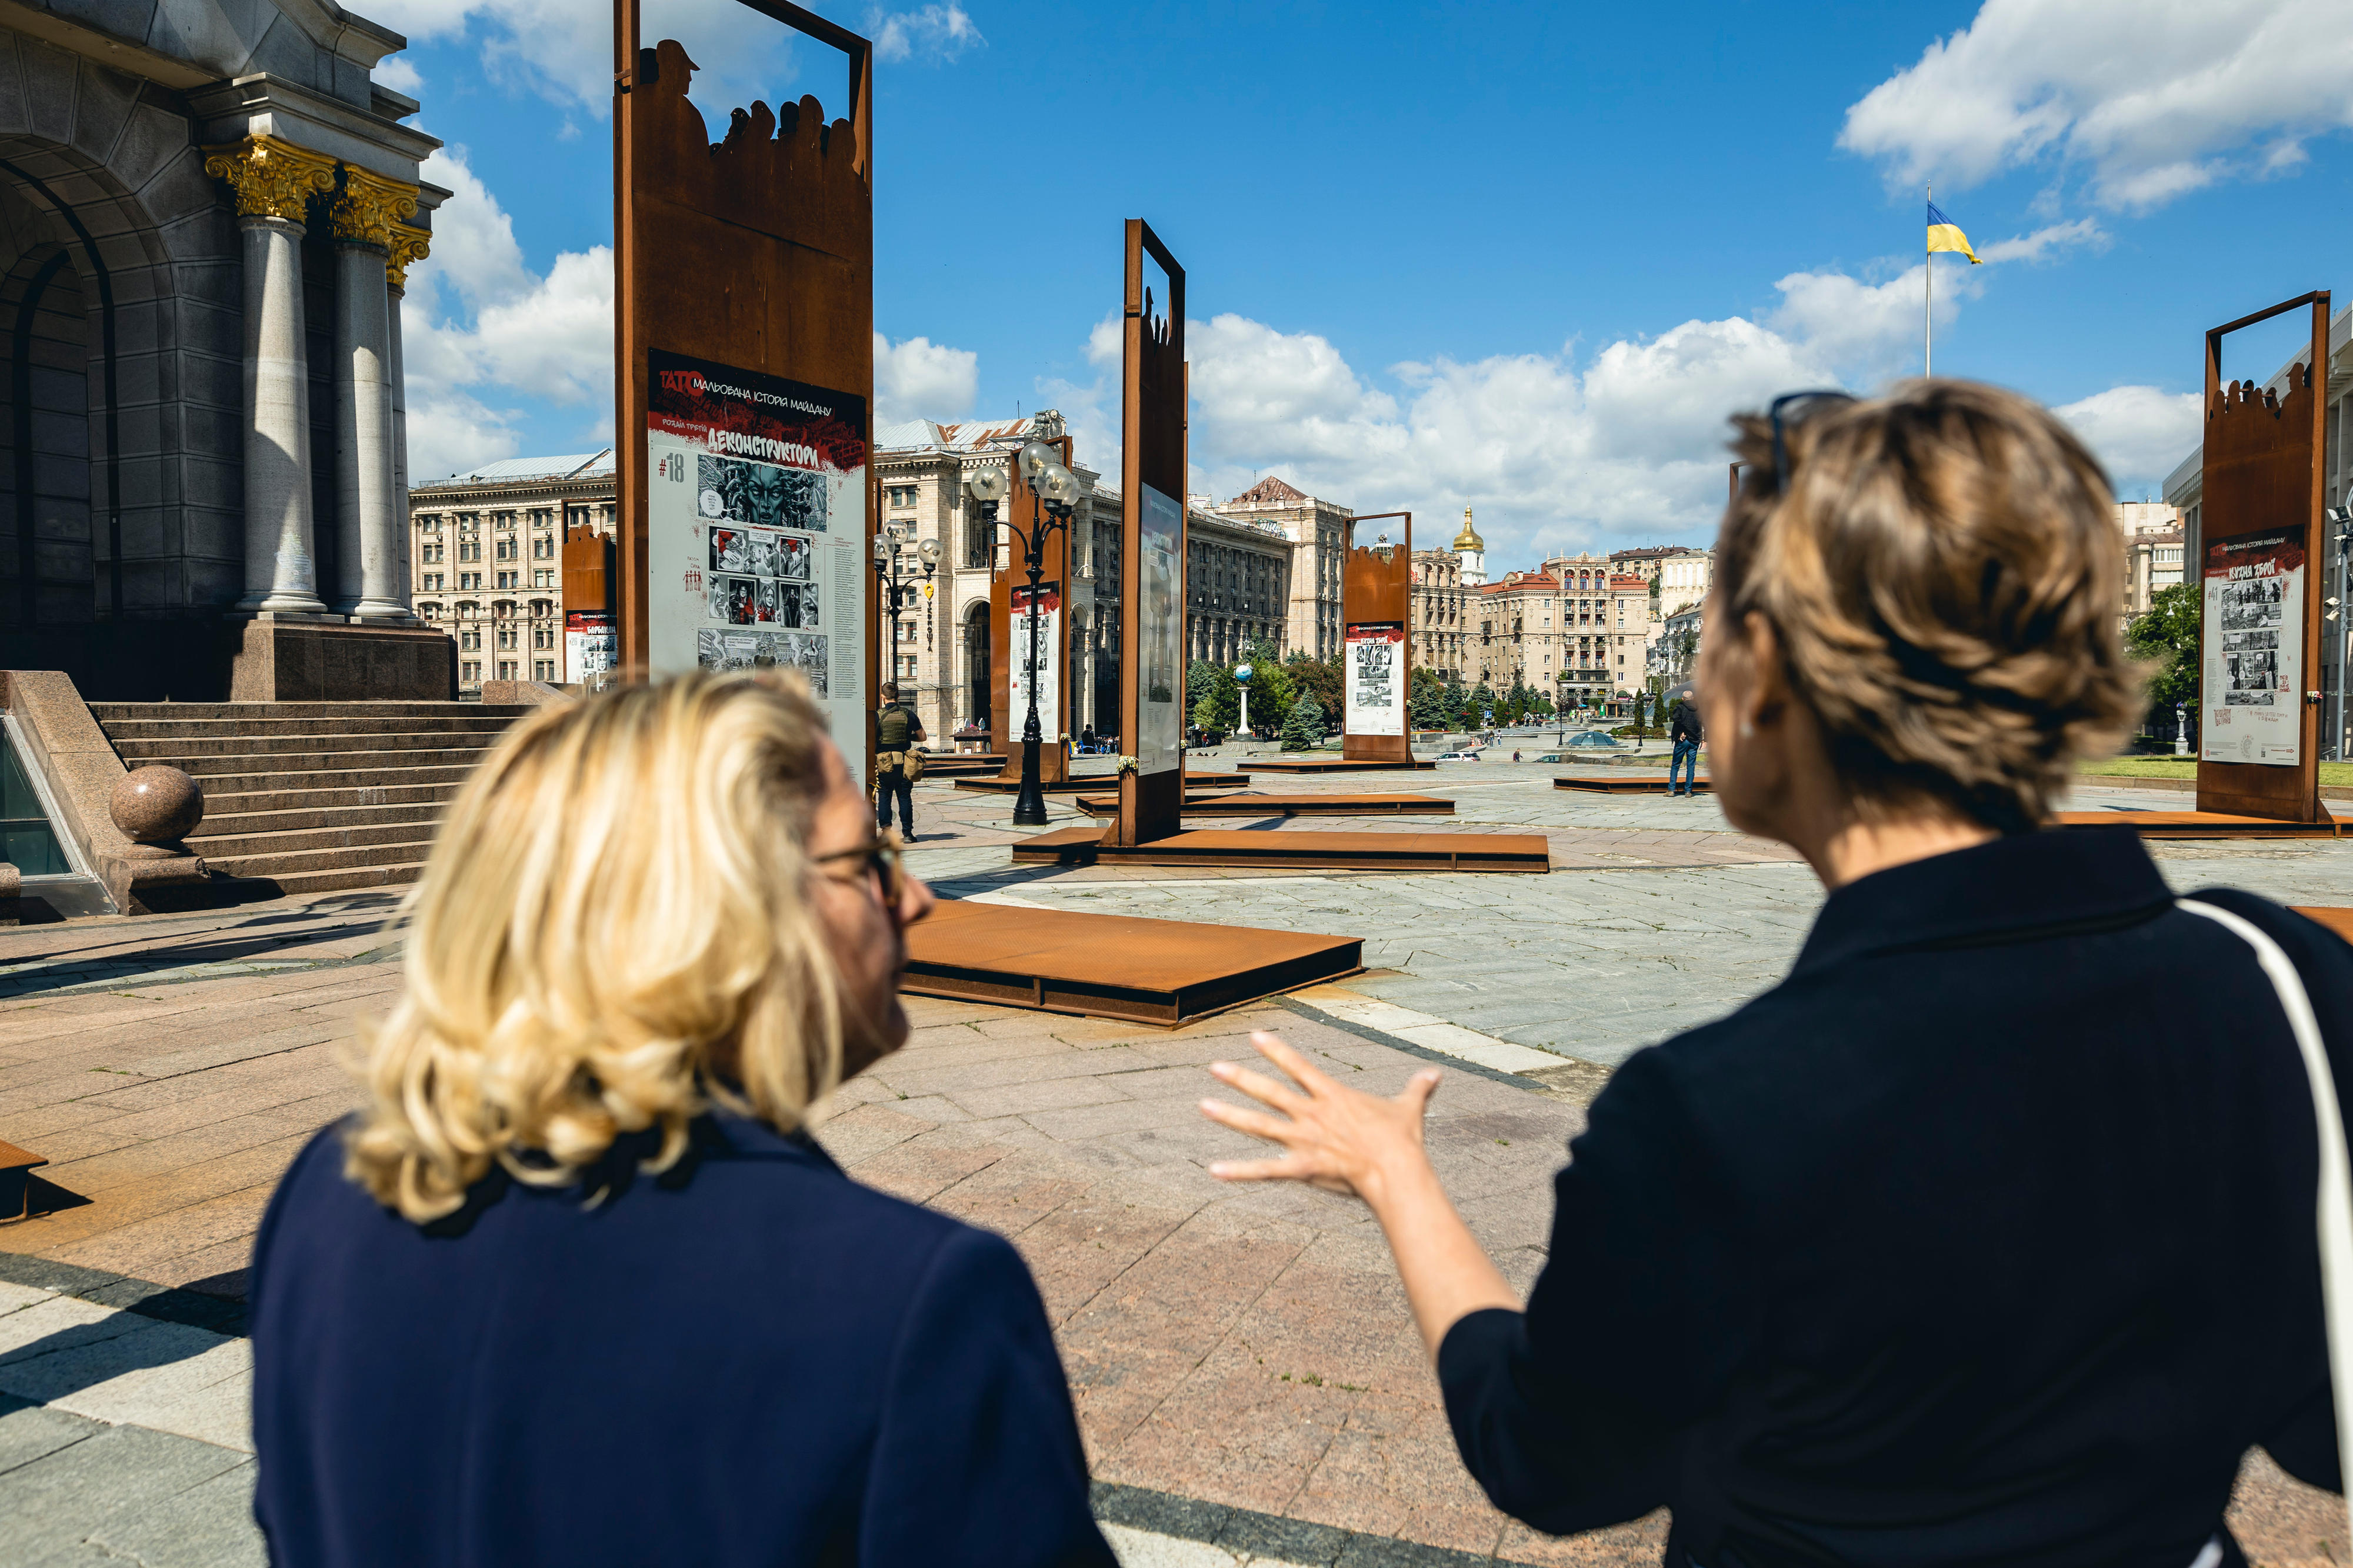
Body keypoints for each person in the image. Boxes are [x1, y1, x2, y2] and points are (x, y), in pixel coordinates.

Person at [1197, 381, 2353, 1568]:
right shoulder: (2280, 982)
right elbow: (2324, 1429)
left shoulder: (1710, 1113)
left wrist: (1397, 1176)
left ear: (1765, 677)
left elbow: (1547, 1457)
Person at [250, 673, 1112, 1568]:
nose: (918, 898)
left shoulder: (331, 1186)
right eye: (868, 861)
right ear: (728, 913)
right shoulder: (914, 1301)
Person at [875, 680, 924, 840]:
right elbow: (922, 737)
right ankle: (908, 833)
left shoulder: (877, 715)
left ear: (883, 697)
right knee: (904, 797)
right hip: (904, 762)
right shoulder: (908, 714)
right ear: (898, 696)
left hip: (884, 762)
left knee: (884, 796)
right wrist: (907, 737)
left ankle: (886, 832)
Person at [1668, 686, 1702, 796]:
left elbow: (1677, 721)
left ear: (1683, 699)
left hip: (1683, 740)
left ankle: (1672, 790)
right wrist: (1703, 739)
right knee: (1691, 766)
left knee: (1676, 765)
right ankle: (1688, 791)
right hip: (1694, 741)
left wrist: (1680, 733)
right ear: (1693, 698)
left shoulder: (1680, 708)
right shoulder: (1699, 709)